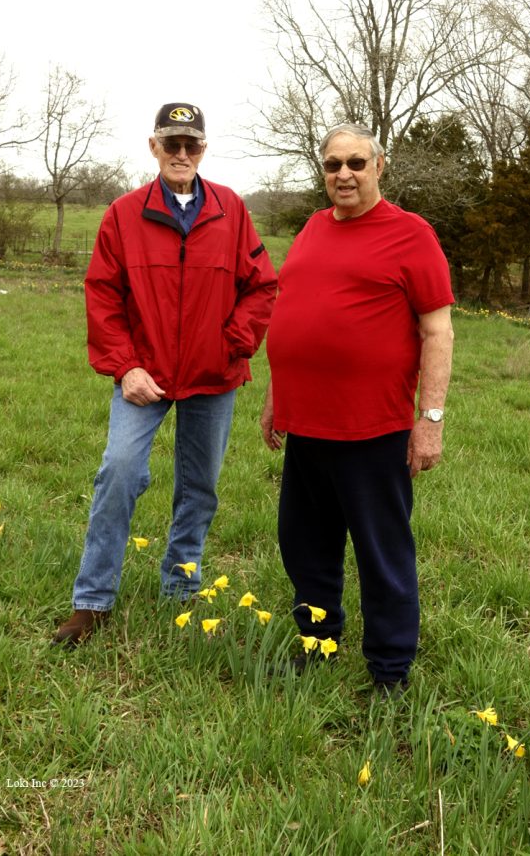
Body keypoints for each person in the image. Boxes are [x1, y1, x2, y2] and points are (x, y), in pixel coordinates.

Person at [53, 103, 277, 645]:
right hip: (142, 377)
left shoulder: (231, 210)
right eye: (171, 144)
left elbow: (262, 286)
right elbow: (103, 295)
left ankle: (180, 587)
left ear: (203, 148)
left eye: (191, 145)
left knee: (198, 487)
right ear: (153, 146)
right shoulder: (123, 214)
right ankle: (93, 600)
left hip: (213, 377)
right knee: (120, 474)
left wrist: (234, 345)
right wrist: (125, 366)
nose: (181, 154)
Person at [260, 123, 454, 695]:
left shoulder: (411, 235)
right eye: (332, 165)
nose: (343, 174)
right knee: (305, 545)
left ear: (379, 166)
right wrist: (277, 393)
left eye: (355, 163)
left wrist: (431, 419)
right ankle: (318, 642)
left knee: (381, 553)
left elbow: (437, 330)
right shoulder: (314, 229)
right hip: (308, 427)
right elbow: (293, 312)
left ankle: (389, 671)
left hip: (372, 429)